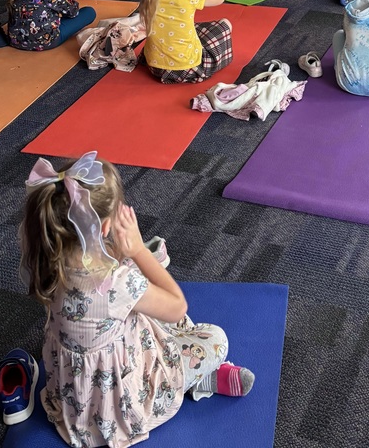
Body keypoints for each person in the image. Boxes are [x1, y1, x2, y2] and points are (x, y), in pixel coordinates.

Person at [20, 152, 254, 448]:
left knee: (147, 301)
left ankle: (191, 372)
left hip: (74, 401)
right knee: (216, 339)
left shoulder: (46, 262)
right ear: (105, 227)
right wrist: (138, 251)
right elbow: (177, 306)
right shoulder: (119, 283)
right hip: (120, 406)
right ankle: (197, 380)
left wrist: (126, 258)